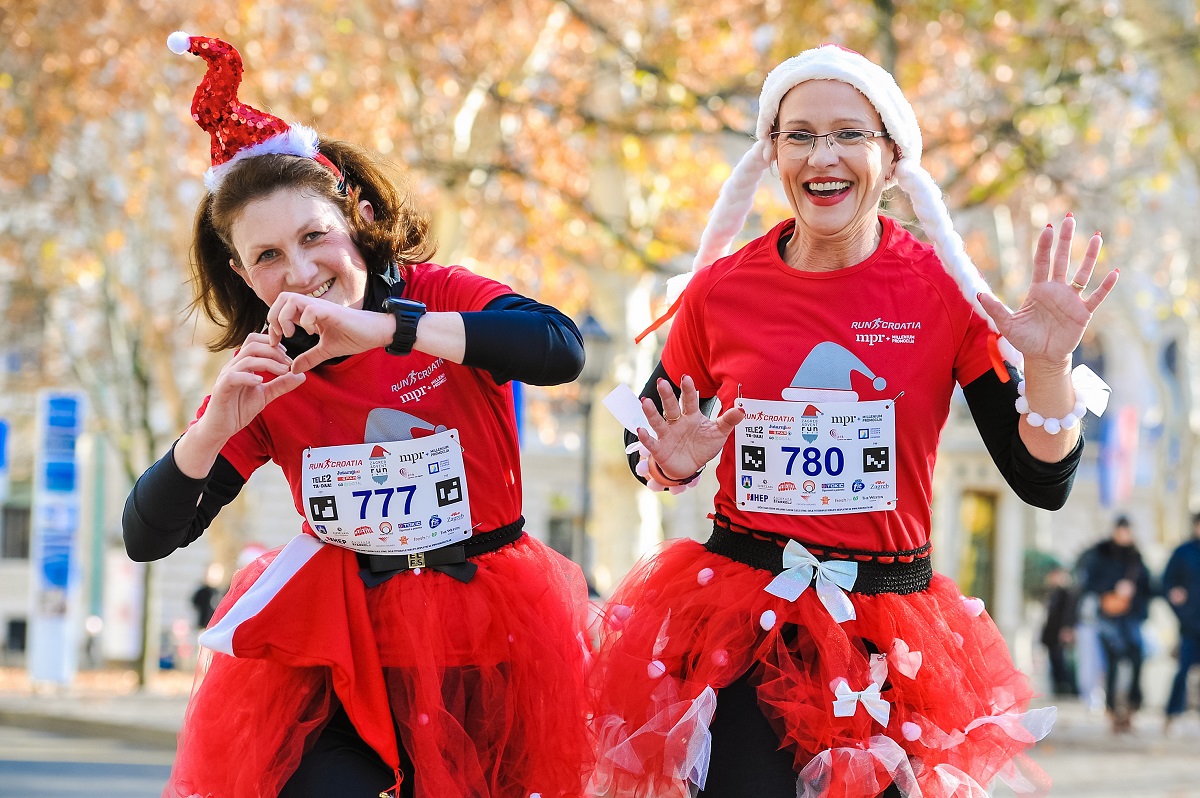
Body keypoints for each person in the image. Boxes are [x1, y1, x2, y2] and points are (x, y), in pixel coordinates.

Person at [588, 45, 1117, 798]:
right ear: (771, 152)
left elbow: (1041, 479)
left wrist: (1049, 367)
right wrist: (671, 460)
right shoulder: (719, 291)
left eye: (847, 135)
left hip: (888, 630)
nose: (821, 156)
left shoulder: (943, 291)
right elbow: (645, 444)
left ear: (893, 157)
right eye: (797, 135)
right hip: (745, 620)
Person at [122, 33, 591, 798]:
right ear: (242, 273)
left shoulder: (438, 296)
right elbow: (149, 535)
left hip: (492, 631)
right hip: (347, 649)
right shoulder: (268, 366)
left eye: (314, 236)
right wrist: (212, 431)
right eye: (267, 256)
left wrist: (393, 328)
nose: (300, 270)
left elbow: (559, 347)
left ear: (359, 217)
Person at [1075, 515, 1150, 733]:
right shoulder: (1100, 554)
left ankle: (1132, 705)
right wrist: (1113, 588)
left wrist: (1135, 599)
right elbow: (1088, 582)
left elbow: (1147, 587)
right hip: (1107, 617)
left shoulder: (1136, 558)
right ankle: (1112, 711)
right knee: (1114, 660)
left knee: (1137, 655)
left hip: (1131, 617)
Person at [1163, 511, 1200, 731]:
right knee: (1183, 670)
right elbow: (1167, 582)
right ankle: (1171, 714)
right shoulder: (1182, 552)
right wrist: (1176, 597)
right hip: (1189, 623)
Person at [1039, 565, 1078, 697]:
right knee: (1054, 659)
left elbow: (1069, 613)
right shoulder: (1053, 593)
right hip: (1052, 633)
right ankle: (1058, 687)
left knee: (1061, 659)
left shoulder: (1068, 593)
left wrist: (1067, 629)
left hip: (1060, 633)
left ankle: (1065, 687)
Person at [189, 562, 226, 630]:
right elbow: (195, 604)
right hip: (203, 626)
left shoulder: (222, 592)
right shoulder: (202, 591)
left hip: (218, 627)